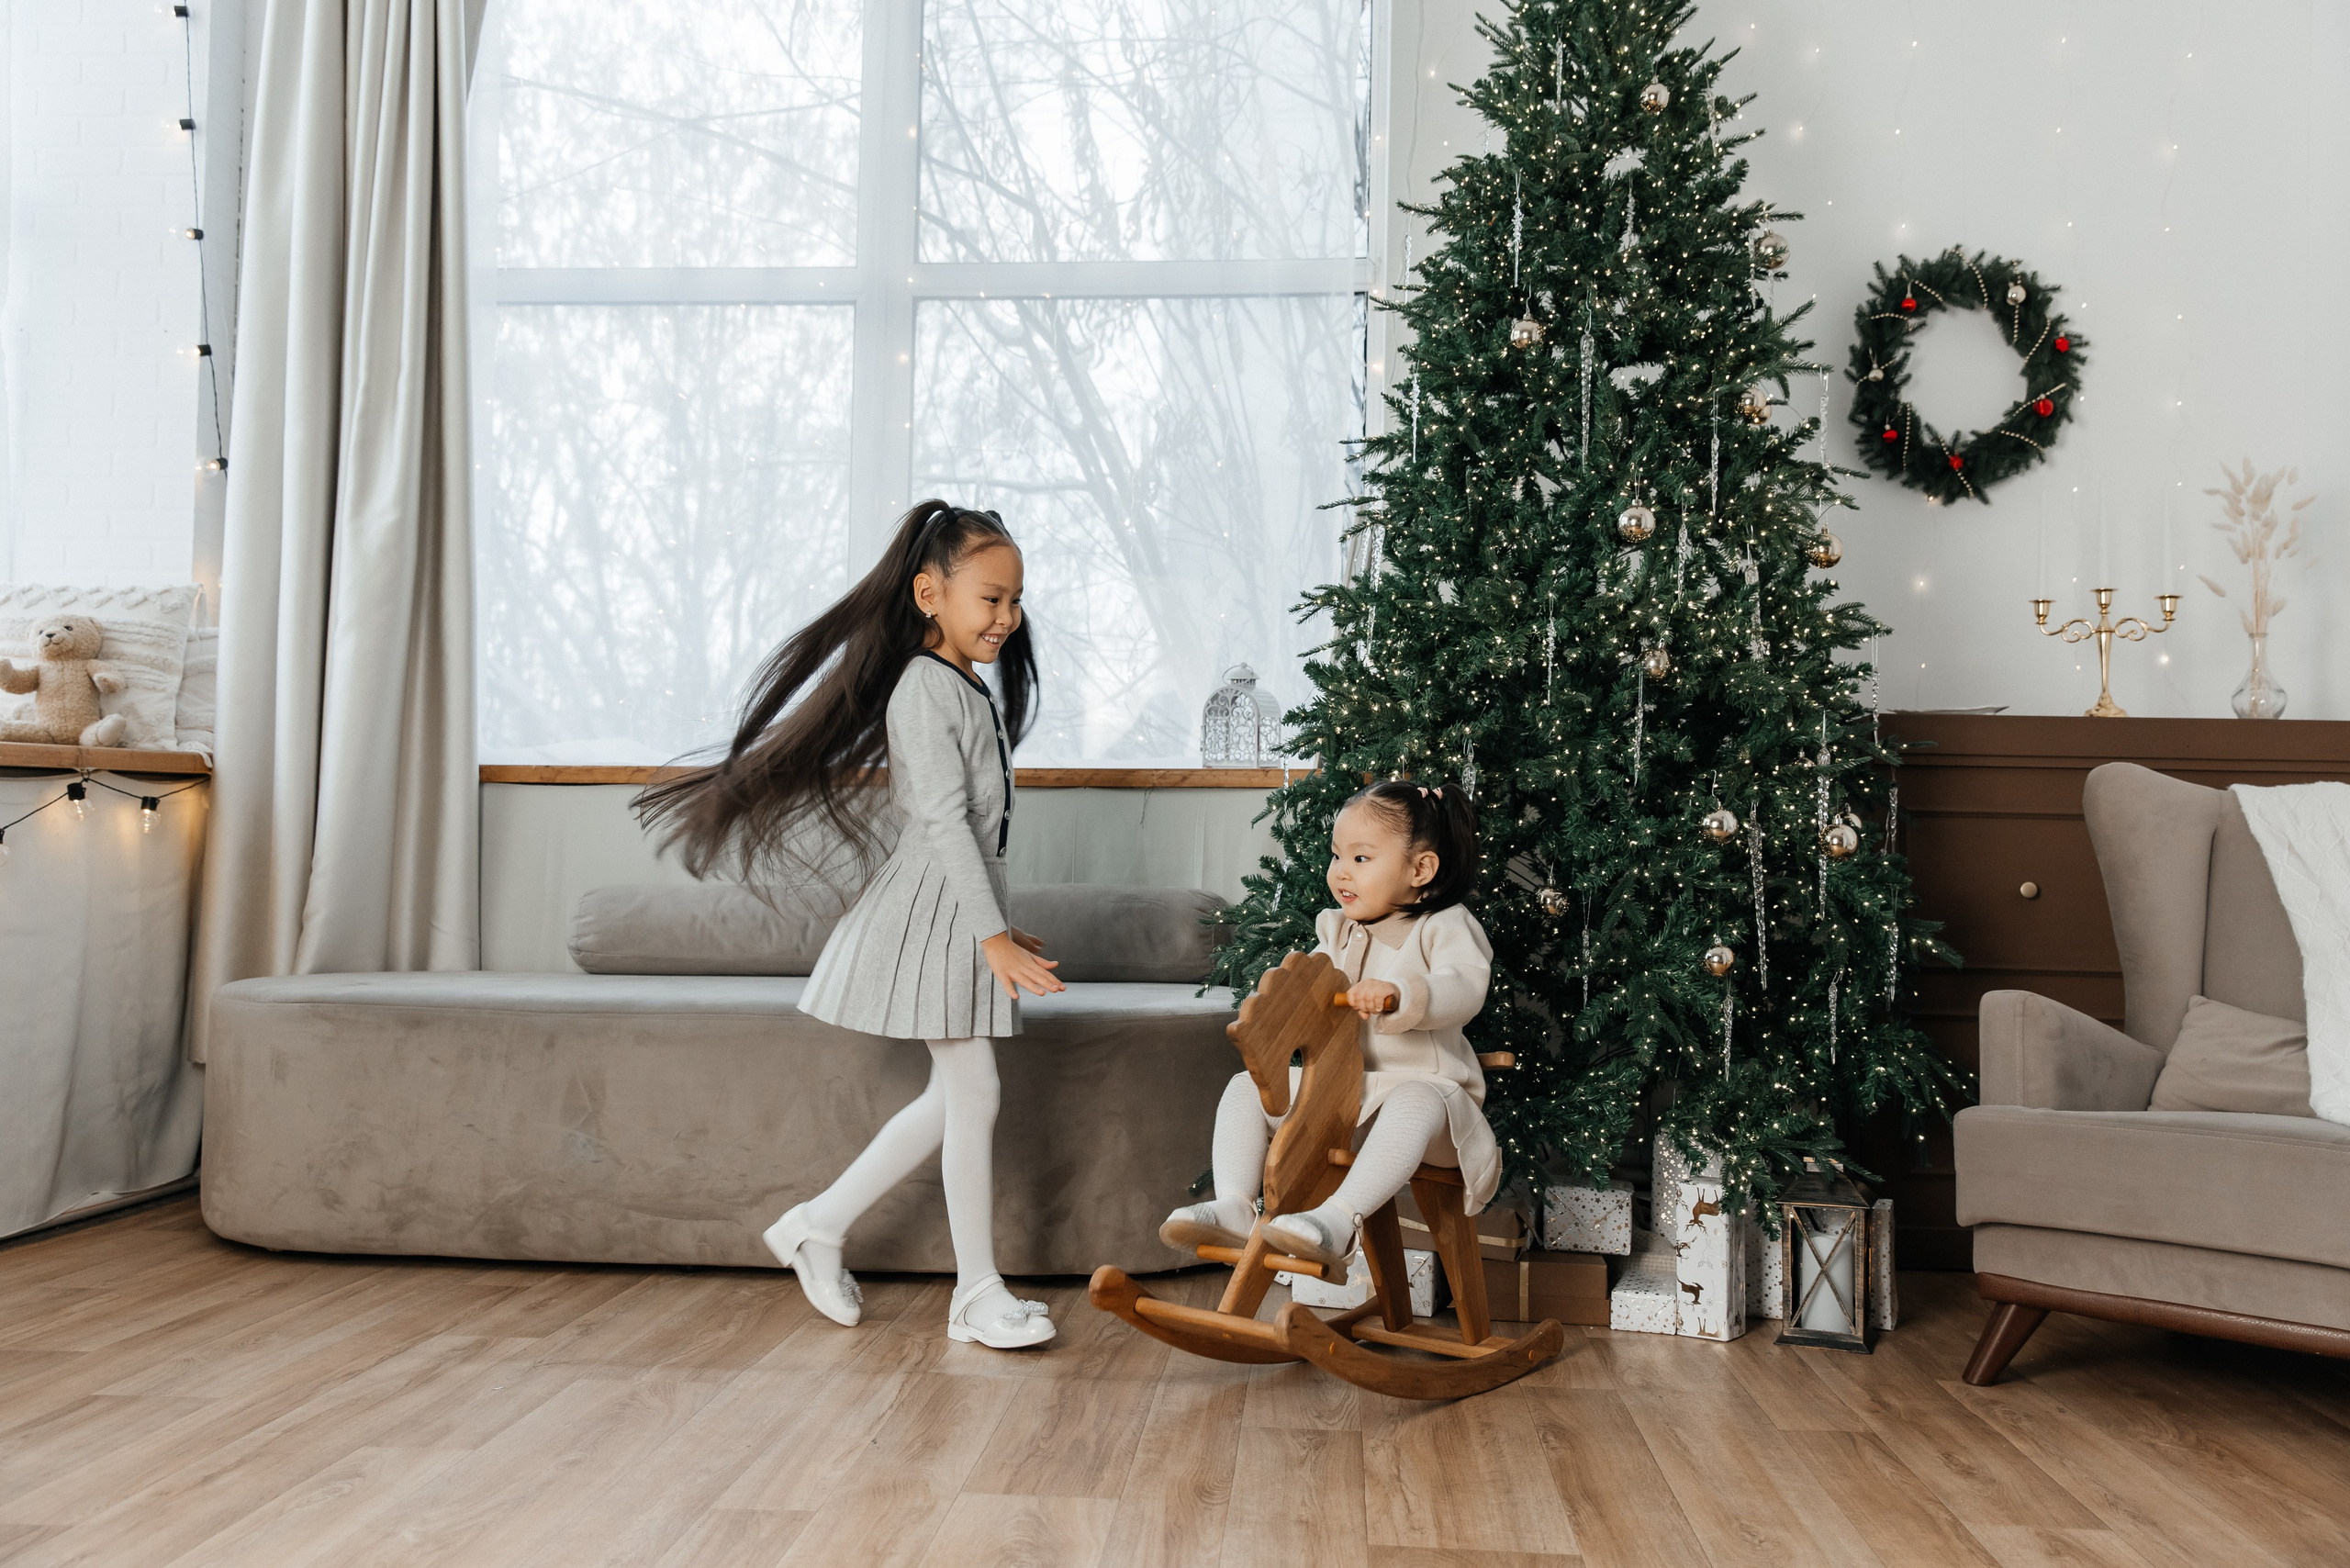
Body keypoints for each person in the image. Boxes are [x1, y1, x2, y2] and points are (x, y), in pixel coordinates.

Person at [638, 500, 1067, 1350]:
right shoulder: (922, 686)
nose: (1007, 618)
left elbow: (976, 832)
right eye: (990, 598)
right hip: (932, 910)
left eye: (1015, 601)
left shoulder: (964, 685)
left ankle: (818, 1225)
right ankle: (975, 1292)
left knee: (955, 1096)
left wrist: (1001, 932)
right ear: (928, 593)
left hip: (959, 907)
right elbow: (944, 822)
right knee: (973, 1092)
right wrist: (988, 936)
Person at [1158, 779, 1500, 1270]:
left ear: (1421, 869)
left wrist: (1402, 993)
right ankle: (1235, 1205)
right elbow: (1306, 989)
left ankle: (1338, 1221)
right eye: (1337, 856)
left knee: (1415, 1100)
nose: (1341, 872)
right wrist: (1275, 1010)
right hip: (1344, 1102)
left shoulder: (1444, 926)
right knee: (1244, 1089)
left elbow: (1463, 986)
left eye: (1361, 859)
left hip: (1432, 1108)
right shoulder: (1336, 932)